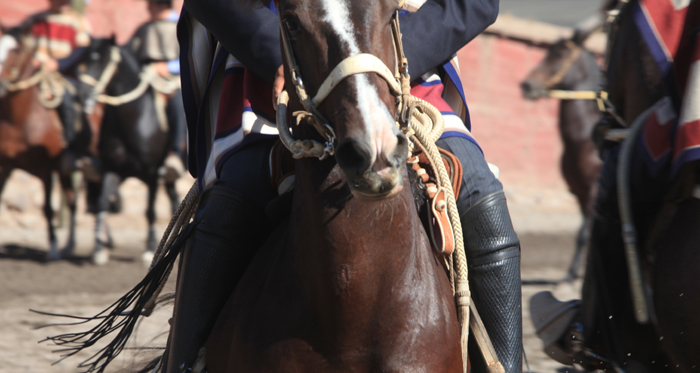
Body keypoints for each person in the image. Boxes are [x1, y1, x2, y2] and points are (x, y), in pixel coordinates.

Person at [167, 1, 522, 372]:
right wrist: (284, 52)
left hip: (402, 70)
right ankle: (184, 364)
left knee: (481, 198)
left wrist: (380, 57)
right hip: (278, 75)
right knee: (228, 203)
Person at [20, 0, 92, 166]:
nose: (63, 3)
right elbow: (22, 40)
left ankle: (70, 147)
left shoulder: (77, 20)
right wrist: (31, 58)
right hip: (35, 73)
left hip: (64, 74)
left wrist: (59, 64)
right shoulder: (37, 19)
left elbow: (82, 50)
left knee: (67, 99)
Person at [128, 0, 187, 179]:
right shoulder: (145, 28)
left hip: (173, 81)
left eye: (150, 4)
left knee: (178, 104)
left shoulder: (181, 25)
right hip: (146, 77)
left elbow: (188, 55)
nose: (147, 8)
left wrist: (167, 67)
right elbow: (131, 52)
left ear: (161, 4)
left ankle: (176, 153)